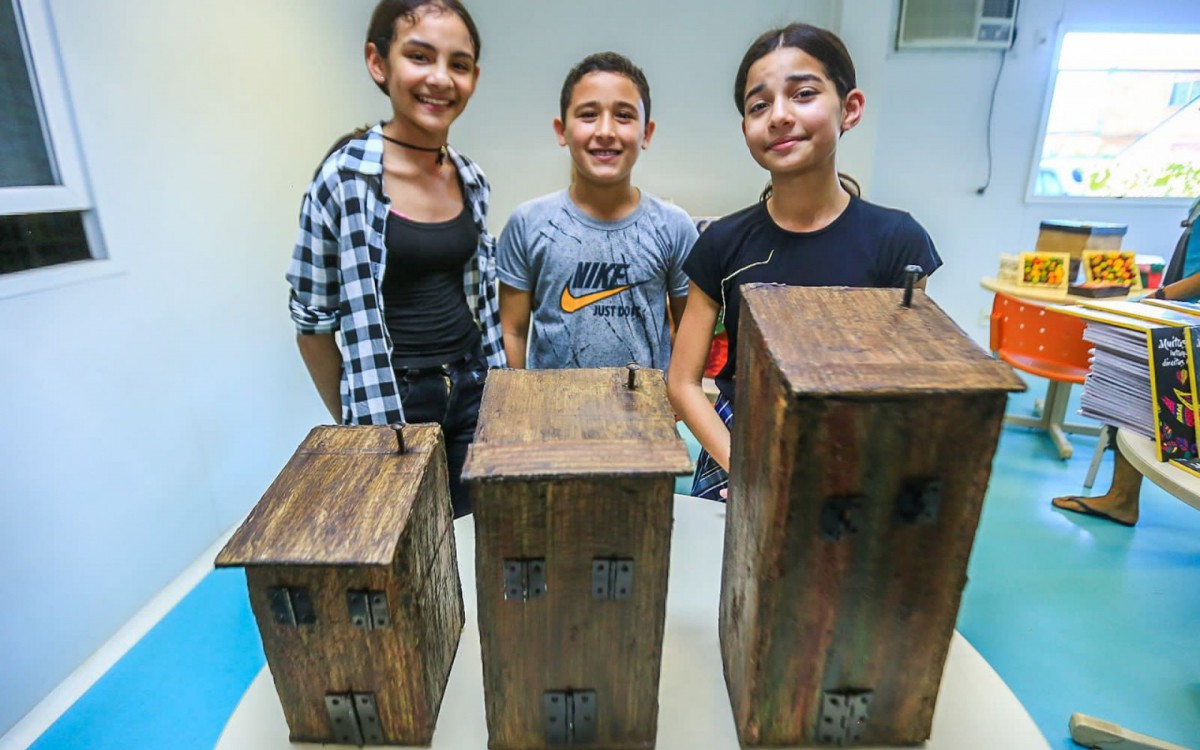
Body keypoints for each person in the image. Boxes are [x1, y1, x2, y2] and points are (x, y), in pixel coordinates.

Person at [666, 23, 943, 501]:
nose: (778, 116)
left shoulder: (897, 241)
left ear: (850, 109)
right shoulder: (721, 243)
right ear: (746, 129)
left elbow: (910, 387)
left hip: (855, 458)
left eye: (803, 94)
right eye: (759, 105)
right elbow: (683, 382)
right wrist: (746, 467)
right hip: (738, 451)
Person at [286, 0, 505, 518]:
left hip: (474, 386)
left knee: (480, 532)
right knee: (410, 545)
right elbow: (311, 325)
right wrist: (358, 417)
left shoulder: (471, 179)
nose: (440, 78)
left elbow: (479, 298)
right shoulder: (343, 181)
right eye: (420, 56)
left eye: (458, 64)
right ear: (378, 63)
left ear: (474, 77)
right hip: (397, 399)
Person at [496, 52, 696, 370]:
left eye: (624, 115)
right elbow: (512, 331)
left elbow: (690, 335)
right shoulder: (527, 224)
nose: (605, 130)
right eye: (588, 114)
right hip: (549, 414)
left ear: (647, 133)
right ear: (562, 130)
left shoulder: (675, 227)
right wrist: (517, 409)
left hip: (645, 415)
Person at [1052, 196, 1200, 526]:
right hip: (1180, 304)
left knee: (1141, 388)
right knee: (1133, 389)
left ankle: (1121, 497)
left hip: (1186, 308)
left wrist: (1162, 296)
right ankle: (1121, 496)